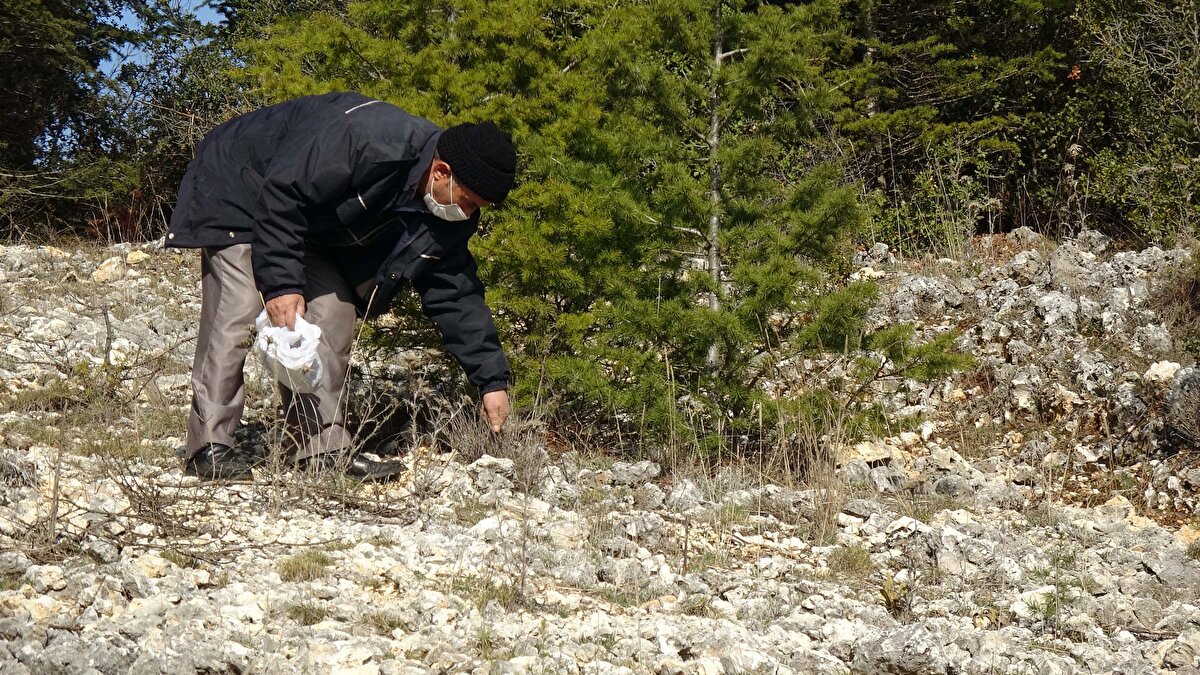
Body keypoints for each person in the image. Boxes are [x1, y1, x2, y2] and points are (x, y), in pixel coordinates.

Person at [166, 91, 516, 481]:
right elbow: (283, 192)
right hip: (242, 185)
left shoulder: (447, 216)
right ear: (440, 172)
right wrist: (282, 285)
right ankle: (209, 447)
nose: (467, 214)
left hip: (307, 222)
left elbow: (455, 292)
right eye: (466, 201)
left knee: (333, 313)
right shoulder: (369, 139)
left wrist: (491, 380)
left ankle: (321, 450)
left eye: (476, 209)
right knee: (238, 306)